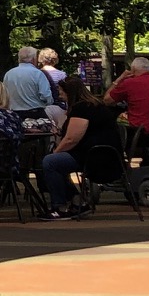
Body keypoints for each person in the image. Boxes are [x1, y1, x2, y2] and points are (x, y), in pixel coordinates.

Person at [40, 85, 126, 218]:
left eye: (62, 92)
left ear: (71, 93)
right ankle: (76, 200)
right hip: (108, 155)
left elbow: (71, 139)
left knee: (50, 162)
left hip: (95, 157)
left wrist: (56, 151)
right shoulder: (96, 106)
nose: (60, 96)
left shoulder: (82, 109)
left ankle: (60, 207)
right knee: (57, 163)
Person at [106, 56, 149, 137]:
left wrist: (120, 78)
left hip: (139, 131)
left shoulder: (130, 83)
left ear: (133, 69)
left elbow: (107, 100)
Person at [3, 47, 54, 123]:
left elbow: (5, 94)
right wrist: (49, 102)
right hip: (35, 114)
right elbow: (45, 95)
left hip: (14, 114)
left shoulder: (8, 74)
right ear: (34, 59)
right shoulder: (38, 74)